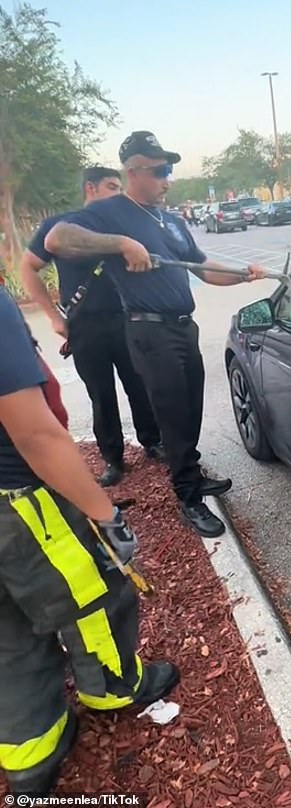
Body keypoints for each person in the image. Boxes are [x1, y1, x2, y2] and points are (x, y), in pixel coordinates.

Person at [0, 286, 179, 797]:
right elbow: (34, 434)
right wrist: (105, 518)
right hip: (20, 500)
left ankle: (31, 750)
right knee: (92, 594)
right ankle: (114, 688)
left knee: (8, 631)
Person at [45, 131, 269, 538]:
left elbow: (201, 269)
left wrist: (243, 276)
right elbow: (56, 239)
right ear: (133, 171)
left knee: (192, 406)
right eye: (160, 170)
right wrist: (121, 243)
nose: (168, 178)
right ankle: (187, 497)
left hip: (184, 328)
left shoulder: (172, 220)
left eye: (170, 169)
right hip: (148, 330)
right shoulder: (112, 211)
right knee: (172, 414)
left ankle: (192, 474)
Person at [21, 167, 165, 488]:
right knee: (100, 394)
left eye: (120, 187)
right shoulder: (63, 225)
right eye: (112, 187)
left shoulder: (123, 227)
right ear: (91, 188)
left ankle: (152, 442)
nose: (118, 193)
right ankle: (113, 459)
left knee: (139, 383)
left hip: (127, 318)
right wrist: (54, 318)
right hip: (84, 324)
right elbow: (28, 267)